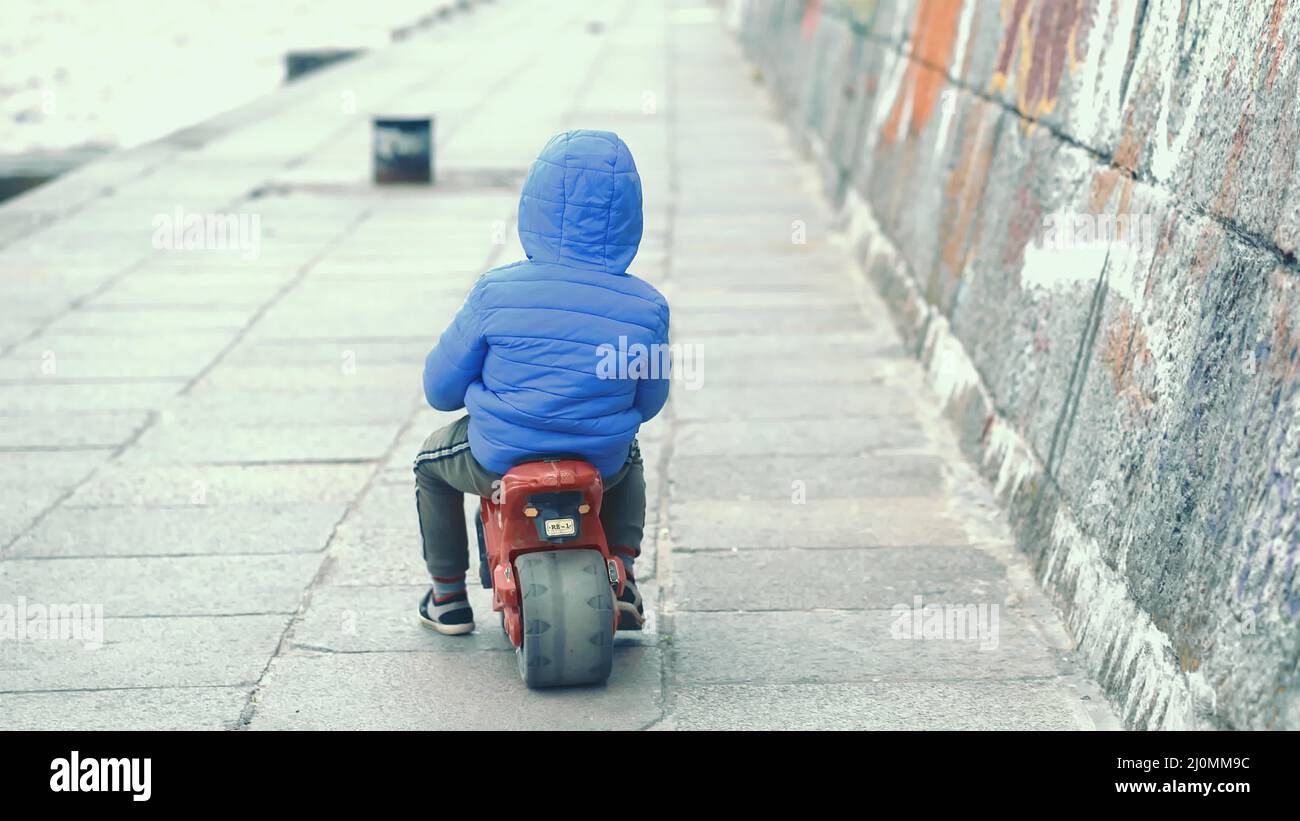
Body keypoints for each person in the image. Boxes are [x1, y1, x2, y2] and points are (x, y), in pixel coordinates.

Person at [413, 129, 669, 636]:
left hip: (498, 457)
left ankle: (446, 595)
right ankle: (623, 570)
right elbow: (649, 402)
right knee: (632, 451)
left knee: (428, 465)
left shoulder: (495, 291)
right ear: (630, 218)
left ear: (535, 207)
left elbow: (440, 392)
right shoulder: (648, 307)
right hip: (601, 462)